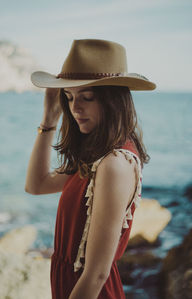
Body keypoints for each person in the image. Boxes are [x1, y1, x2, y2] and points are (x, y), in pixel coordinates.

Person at [25, 39, 156, 299]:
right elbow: (36, 185)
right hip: (70, 283)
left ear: (113, 100)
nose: (75, 108)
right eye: (70, 97)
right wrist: (49, 119)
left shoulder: (114, 164)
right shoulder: (95, 155)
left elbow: (97, 273)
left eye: (87, 97)